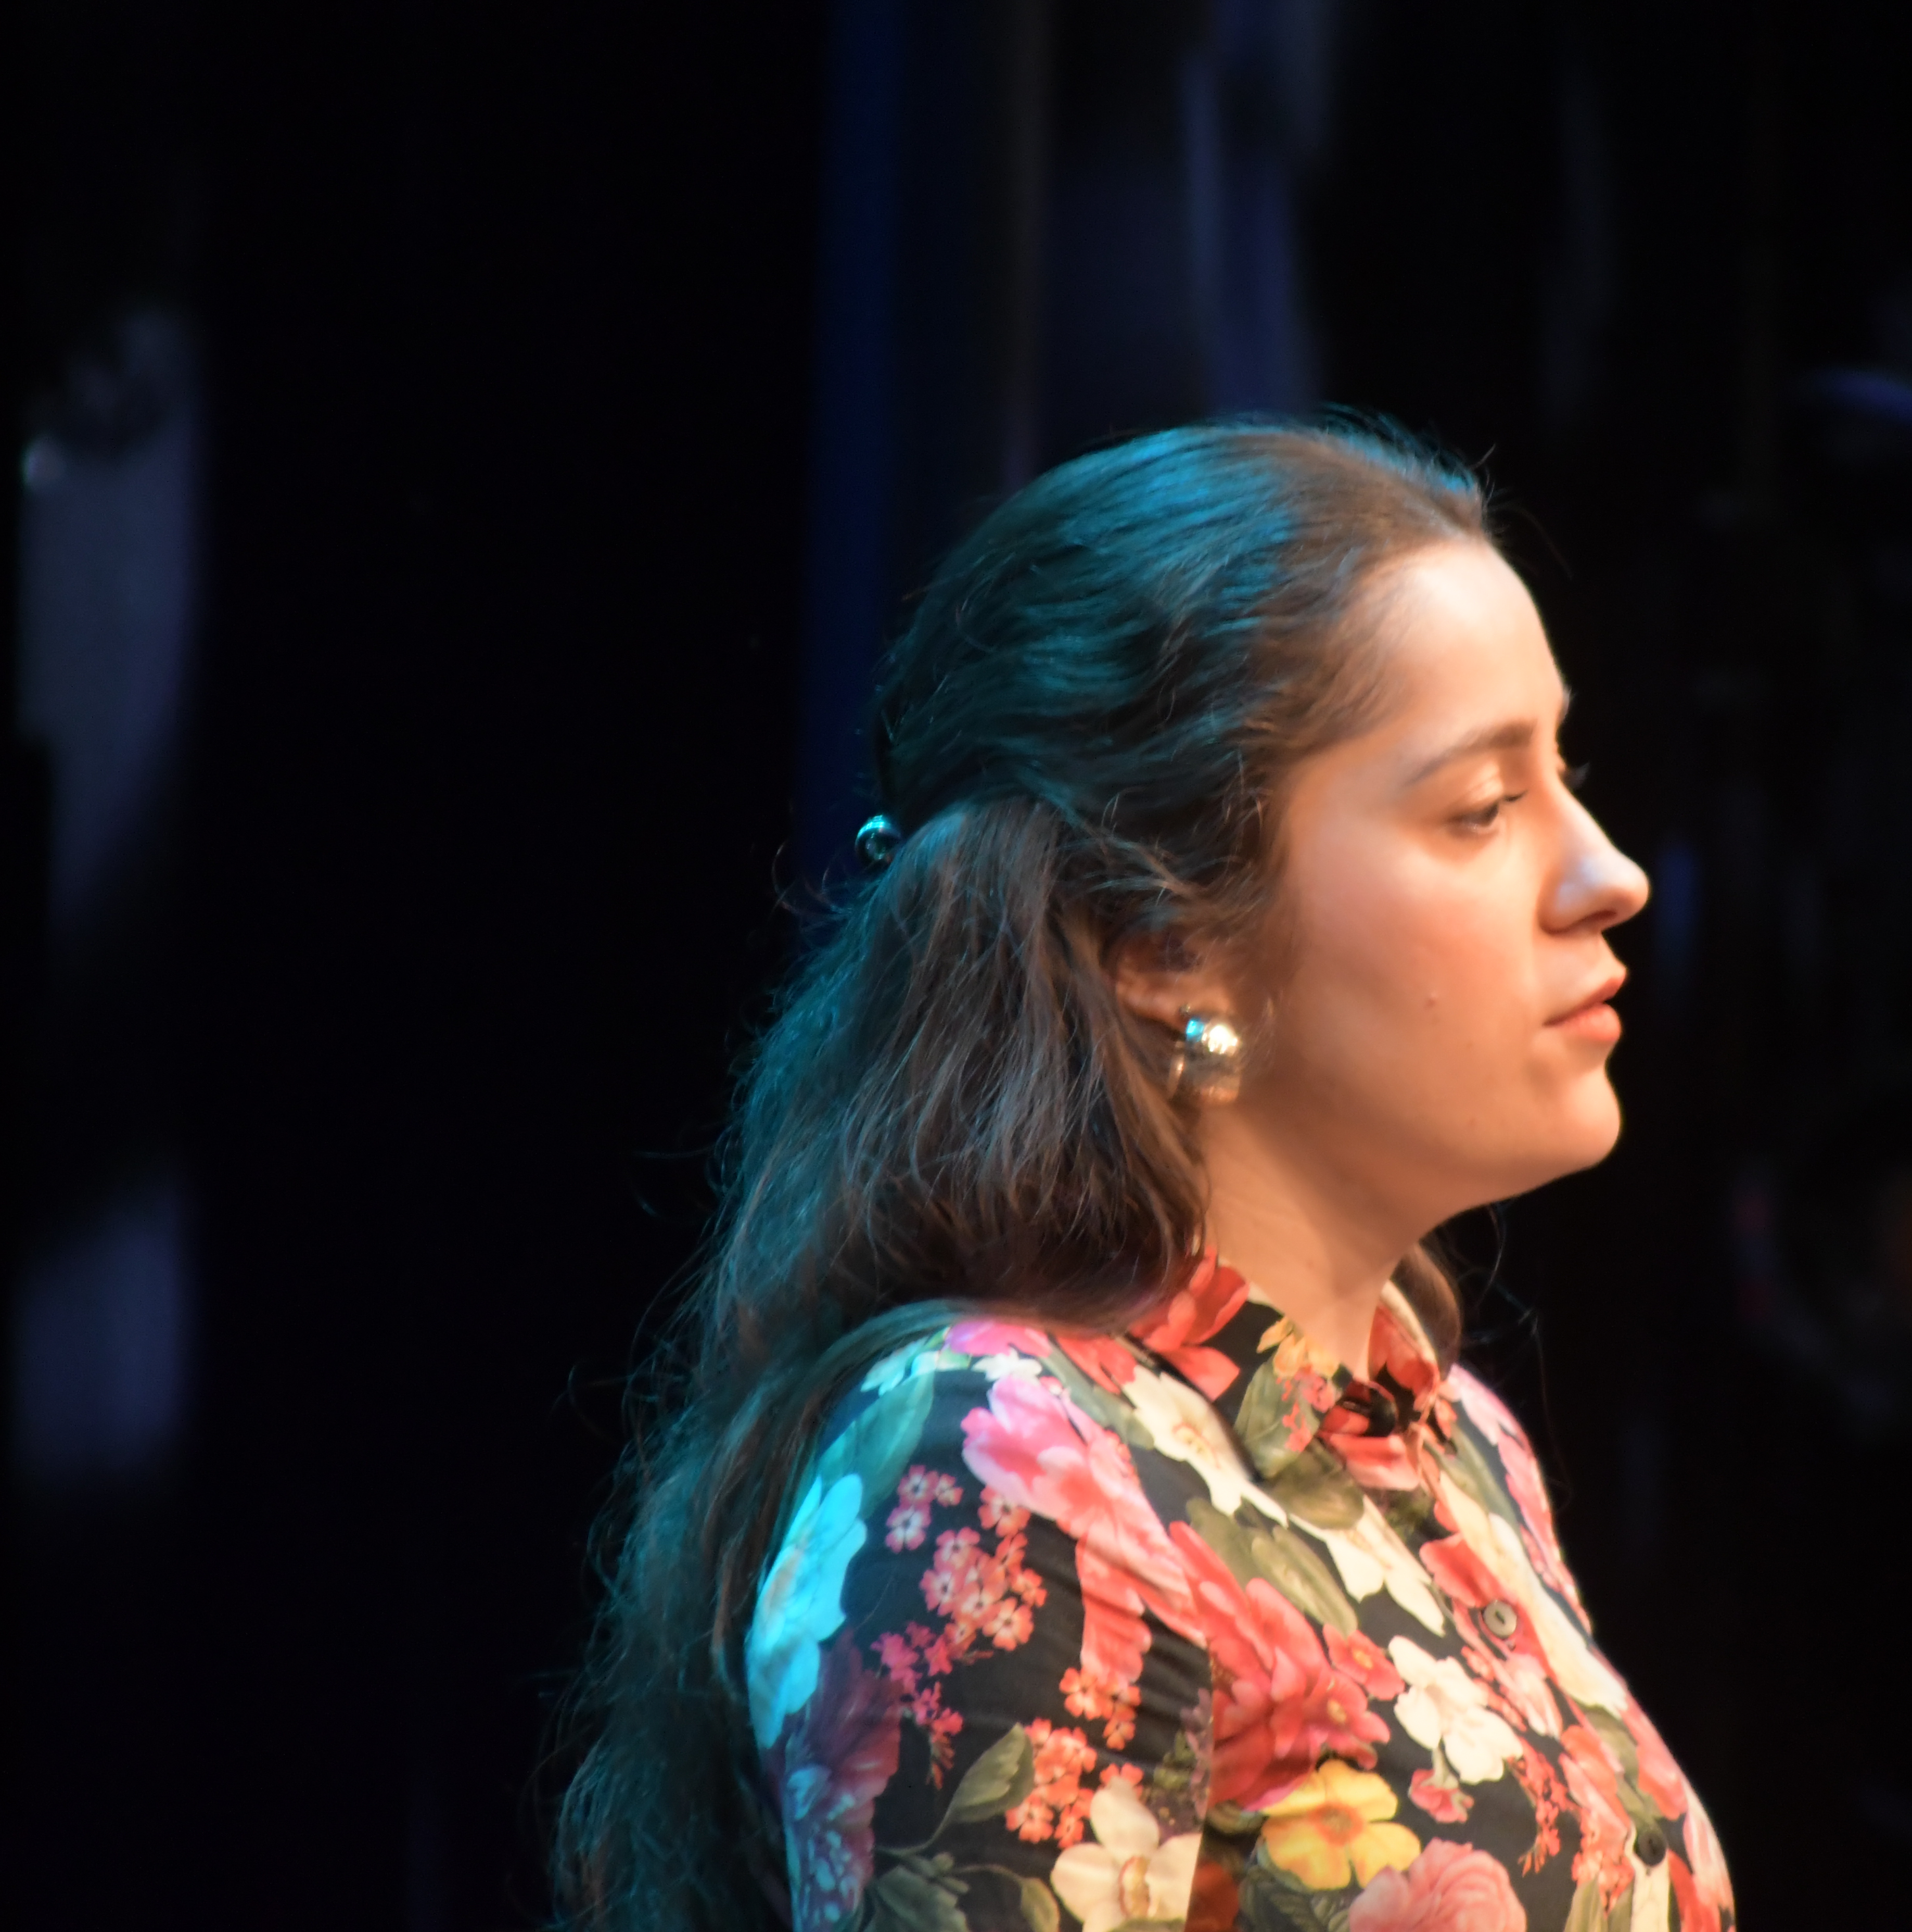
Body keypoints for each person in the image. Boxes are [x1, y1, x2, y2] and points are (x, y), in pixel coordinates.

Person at [557, 420, 1731, 1932]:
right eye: (1483, 809)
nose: (1610, 875)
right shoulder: (1005, 1461)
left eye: (1563, 774)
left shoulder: (1457, 1441)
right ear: (1162, 943)